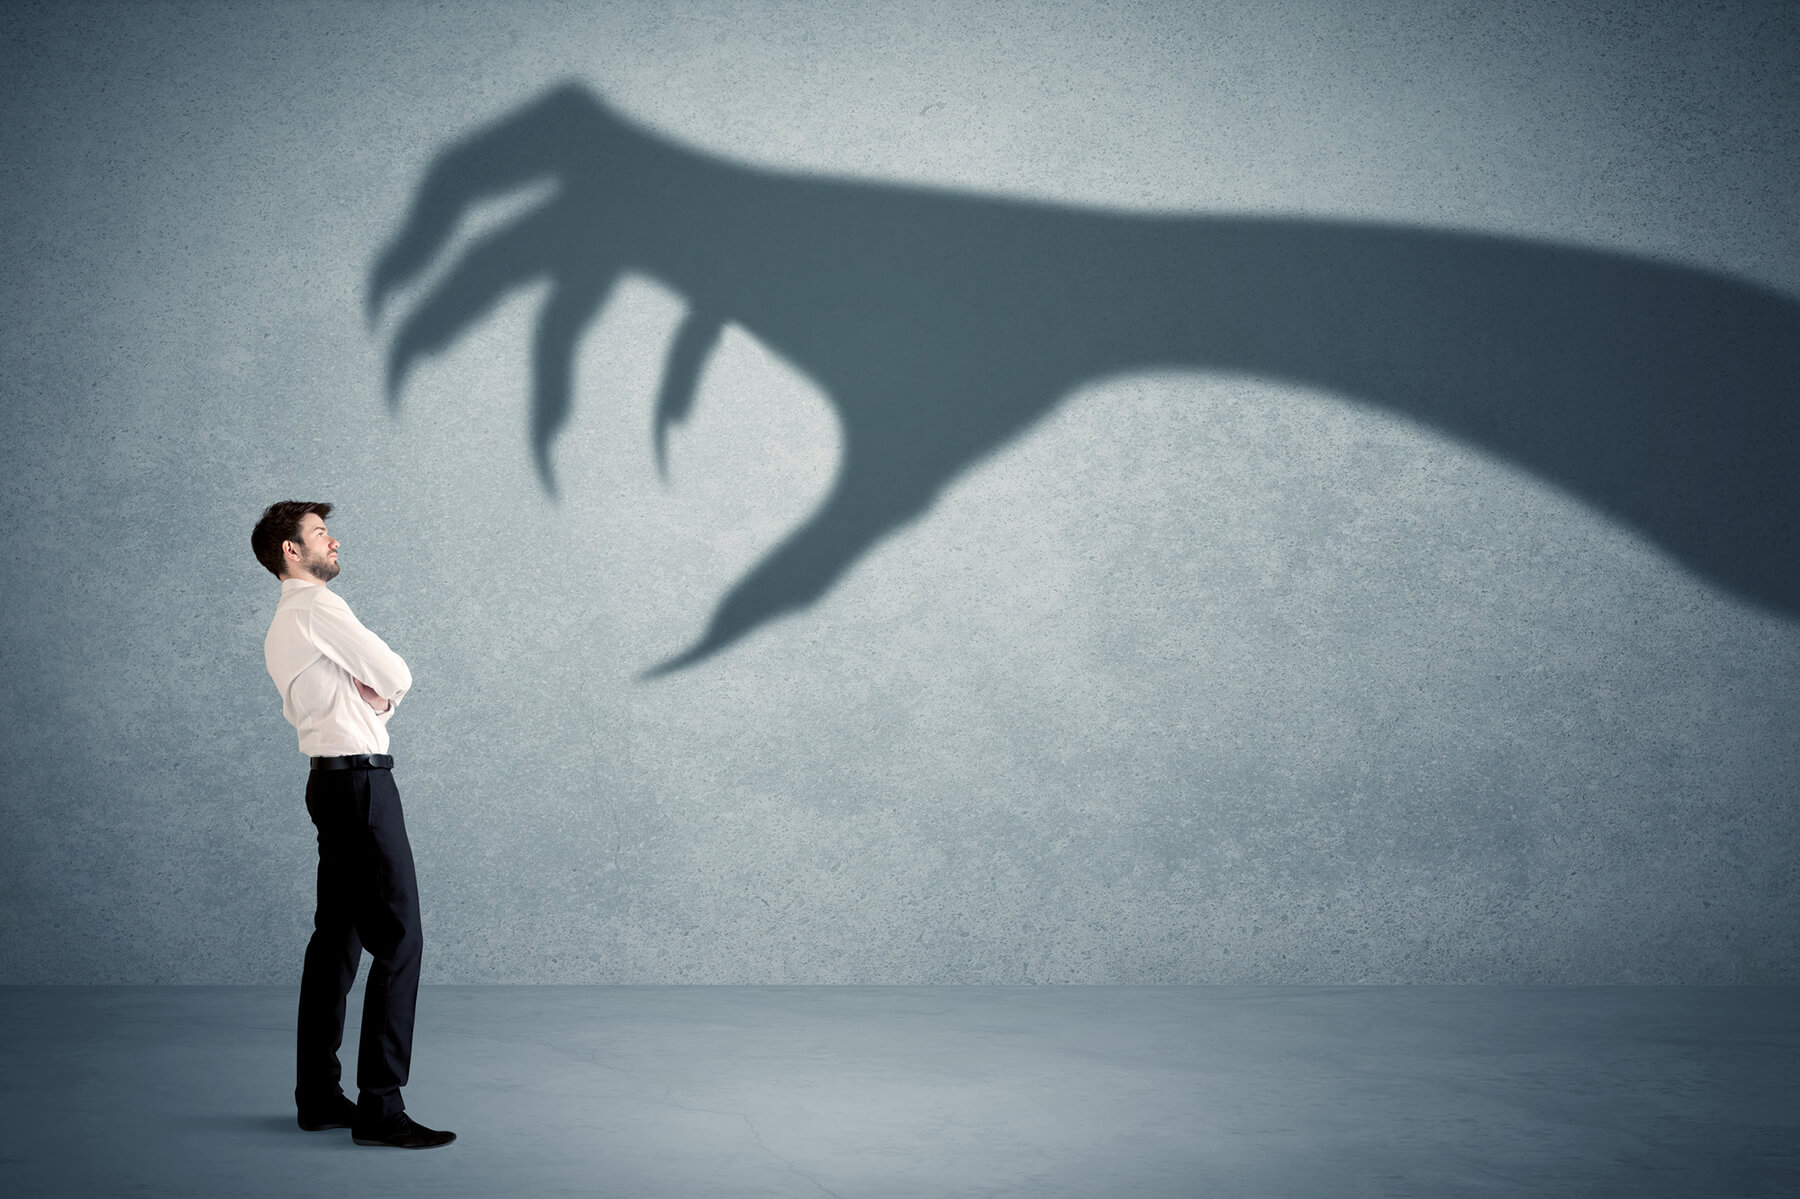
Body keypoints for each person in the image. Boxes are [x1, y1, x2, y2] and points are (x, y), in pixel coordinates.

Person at [252, 500, 454, 1150]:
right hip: (363, 785)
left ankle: (317, 1095)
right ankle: (380, 1105)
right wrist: (385, 692)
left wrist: (373, 695)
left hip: (327, 783)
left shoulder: (284, 623)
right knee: (400, 937)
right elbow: (395, 674)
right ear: (290, 550)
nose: (332, 539)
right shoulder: (317, 607)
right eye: (317, 533)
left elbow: (356, 695)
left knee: (336, 940)